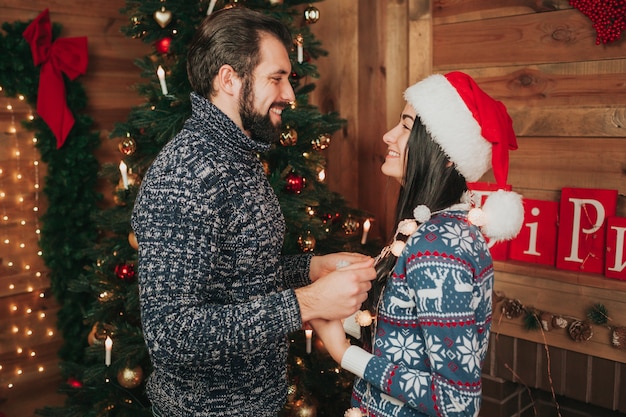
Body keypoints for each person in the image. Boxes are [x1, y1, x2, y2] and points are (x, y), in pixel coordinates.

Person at [130, 7, 376, 417]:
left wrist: (310, 269)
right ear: (229, 79)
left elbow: (238, 279)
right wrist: (307, 303)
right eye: (276, 78)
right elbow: (170, 334)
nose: (290, 95)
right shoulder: (185, 174)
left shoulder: (239, 156)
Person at [312, 71, 524, 417]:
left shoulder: (438, 249)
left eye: (406, 126)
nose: (388, 135)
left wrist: (344, 353)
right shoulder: (434, 227)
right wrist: (336, 315)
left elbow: (457, 402)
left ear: (446, 152)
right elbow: (406, 337)